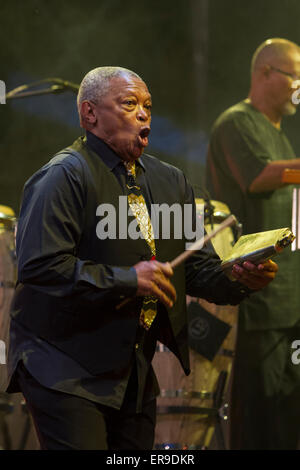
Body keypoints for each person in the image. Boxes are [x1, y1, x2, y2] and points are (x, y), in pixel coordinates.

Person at [6, 66, 277, 450]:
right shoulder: (62, 176)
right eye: (129, 103)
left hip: (130, 370)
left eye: (148, 105)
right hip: (64, 365)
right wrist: (128, 280)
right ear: (90, 114)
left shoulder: (172, 182)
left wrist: (239, 277)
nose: (144, 113)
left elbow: (195, 270)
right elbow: (41, 267)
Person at [205, 38, 300, 450]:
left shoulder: (282, 137)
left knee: (286, 418)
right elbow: (258, 175)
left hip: (289, 303)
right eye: (295, 75)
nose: (299, 86)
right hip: (258, 297)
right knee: (258, 421)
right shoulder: (236, 122)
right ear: (265, 73)